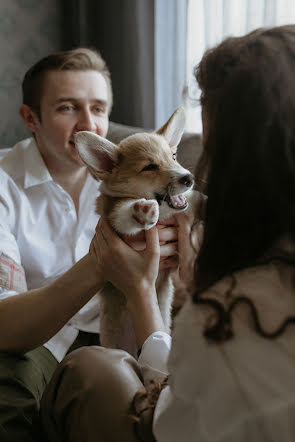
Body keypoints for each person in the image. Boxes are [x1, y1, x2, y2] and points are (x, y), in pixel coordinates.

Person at [40, 24, 295, 442]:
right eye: (67, 107)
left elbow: (173, 423)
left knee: (90, 369)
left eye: (209, 142)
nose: (192, 166)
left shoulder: (227, 314)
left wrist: (146, 289)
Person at [0, 48, 178, 442]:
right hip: (37, 338)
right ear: (31, 118)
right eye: (68, 108)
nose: (90, 125)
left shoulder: (136, 171)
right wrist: (103, 262)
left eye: (99, 108)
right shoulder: (3, 185)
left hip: (124, 326)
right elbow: (4, 325)